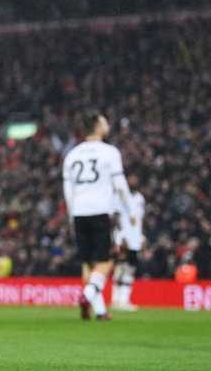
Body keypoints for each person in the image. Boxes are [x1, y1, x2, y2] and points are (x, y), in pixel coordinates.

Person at [62, 111, 137, 322]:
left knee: (88, 263)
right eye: (104, 122)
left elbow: (68, 191)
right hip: (100, 211)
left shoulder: (72, 155)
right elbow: (120, 185)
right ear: (97, 127)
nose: (107, 125)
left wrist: (71, 215)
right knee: (105, 262)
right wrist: (131, 210)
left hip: (79, 212)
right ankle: (86, 296)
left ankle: (100, 310)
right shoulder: (109, 152)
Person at [112, 174, 145, 311]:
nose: (133, 181)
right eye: (131, 179)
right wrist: (120, 237)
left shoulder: (140, 198)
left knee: (130, 268)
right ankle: (116, 300)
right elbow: (115, 217)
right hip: (124, 238)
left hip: (135, 239)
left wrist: (141, 237)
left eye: (135, 179)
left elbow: (139, 219)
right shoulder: (120, 196)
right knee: (120, 267)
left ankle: (123, 300)